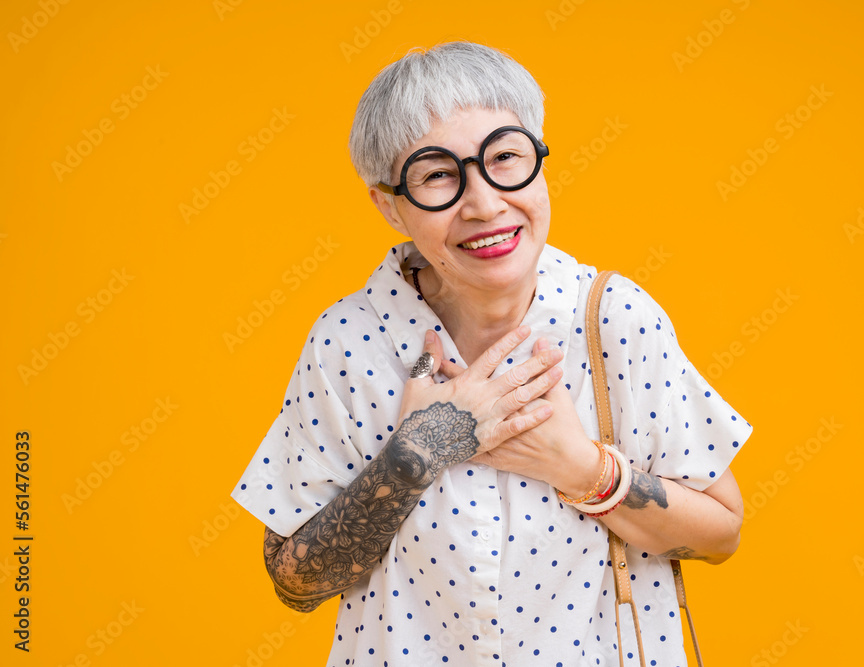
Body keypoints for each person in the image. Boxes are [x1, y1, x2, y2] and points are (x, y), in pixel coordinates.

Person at [232, 41, 752, 666]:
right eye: (438, 175)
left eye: (505, 158)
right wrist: (415, 453)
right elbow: (294, 583)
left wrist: (583, 470)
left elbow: (723, 534)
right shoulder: (349, 340)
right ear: (389, 206)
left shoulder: (613, 318)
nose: (483, 204)